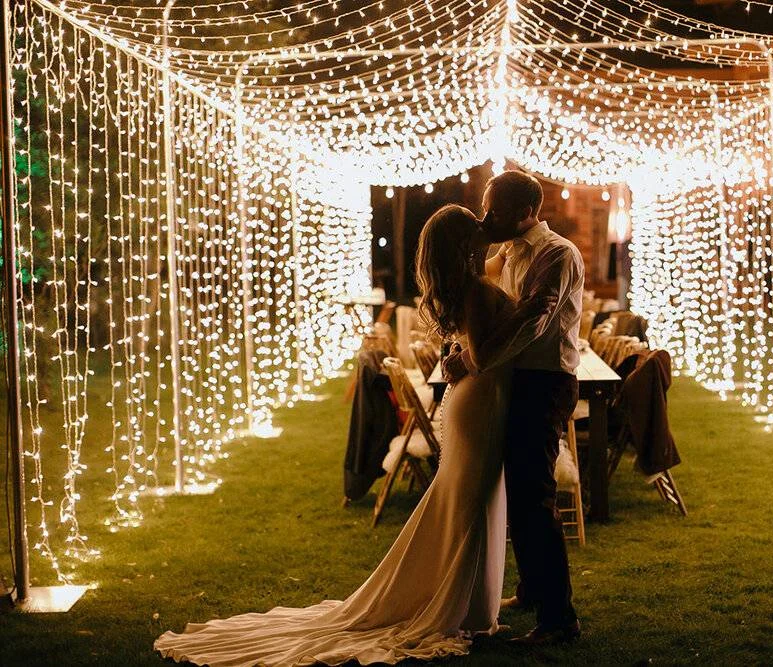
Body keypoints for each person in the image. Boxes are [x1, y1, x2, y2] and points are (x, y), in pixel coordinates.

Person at [154, 205, 548, 666]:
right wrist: (527, 318)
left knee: (470, 498)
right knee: (470, 499)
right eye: (476, 227)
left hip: (477, 399)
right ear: (464, 244)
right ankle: (452, 601)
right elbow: (483, 353)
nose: (486, 229)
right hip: (481, 399)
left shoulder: (471, 284)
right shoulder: (479, 291)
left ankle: (468, 600)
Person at [443, 169, 586, 645]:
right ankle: (530, 590)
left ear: (527, 212)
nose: (488, 220)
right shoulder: (506, 254)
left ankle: (558, 619)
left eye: (496, 212)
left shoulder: (558, 254)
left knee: (534, 497)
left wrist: (474, 360)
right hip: (517, 381)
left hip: (546, 382)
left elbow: (531, 321)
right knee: (520, 492)